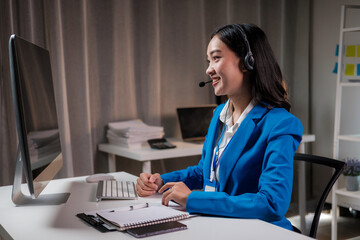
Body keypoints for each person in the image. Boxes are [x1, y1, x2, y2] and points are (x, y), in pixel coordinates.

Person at [136, 23, 303, 231]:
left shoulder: (280, 123)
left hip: (259, 231)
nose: (208, 69)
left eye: (216, 58)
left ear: (247, 62)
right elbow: (205, 172)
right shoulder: (220, 114)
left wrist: (193, 199)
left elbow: (271, 203)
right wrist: (161, 182)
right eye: (209, 60)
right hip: (219, 225)